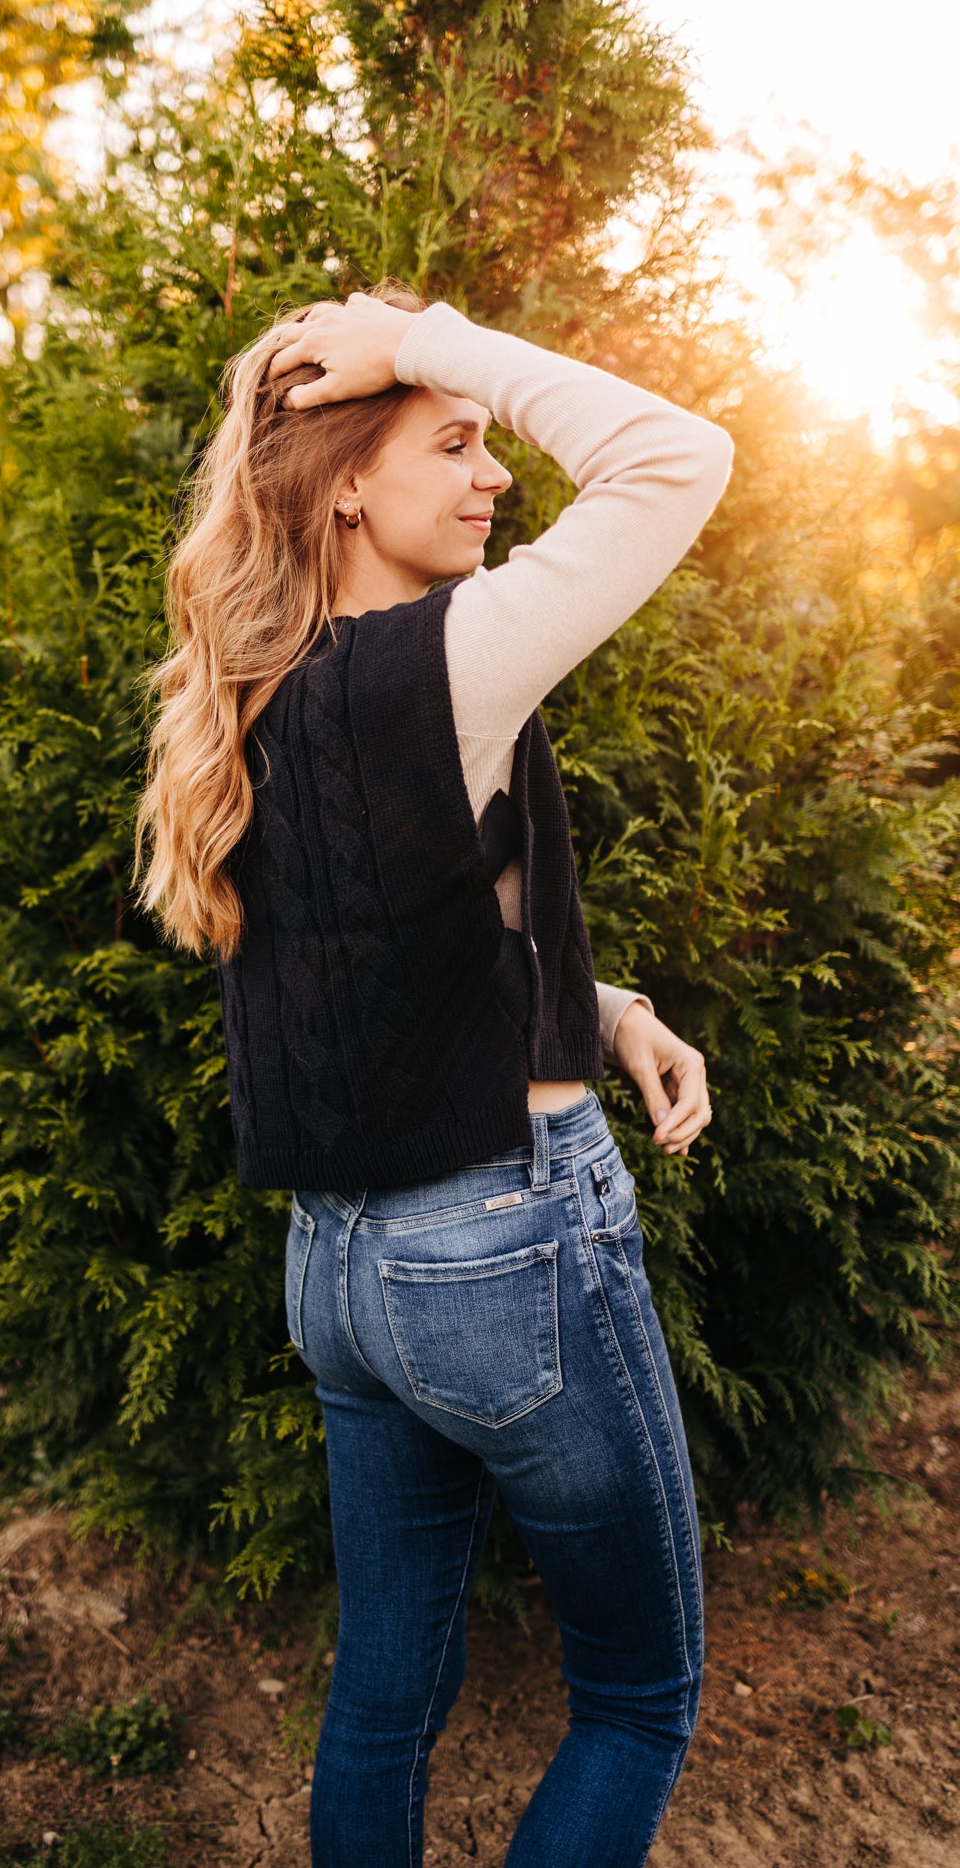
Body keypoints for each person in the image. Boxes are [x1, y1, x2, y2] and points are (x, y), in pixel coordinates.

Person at [134, 283, 735, 1868]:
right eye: (451, 444)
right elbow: (676, 457)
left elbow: (382, 954)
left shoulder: (250, 688)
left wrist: (598, 1007)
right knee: (636, 1692)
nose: (496, 475)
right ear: (343, 479)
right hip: (502, 1252)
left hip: (337, 1273)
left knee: (383, 1703)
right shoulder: (443, 663)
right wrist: (423, 343)